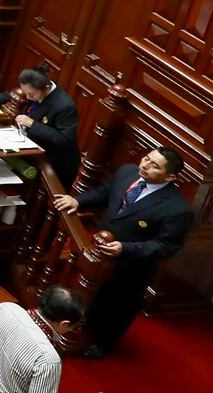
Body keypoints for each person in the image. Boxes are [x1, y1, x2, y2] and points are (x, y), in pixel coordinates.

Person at [51, 146, 193, 357]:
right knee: (91, 293)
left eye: (154, 166)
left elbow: (166, 246)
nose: (145, 165)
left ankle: (102, 344)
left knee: (118, 305)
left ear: (170, 177)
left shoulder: (177, 209)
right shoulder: (128, 172)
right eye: (146, 159)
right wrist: (78, 200)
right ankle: (78, 324)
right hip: (100, 251)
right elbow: (105, 192)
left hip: (132, 266)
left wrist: (125, 248)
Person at [0, 67, 80, 185]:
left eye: (31, 95)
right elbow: (11, 94)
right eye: (26, 93)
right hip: (30, 148)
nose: (27, 98)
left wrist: (32, 124)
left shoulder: (65, 106)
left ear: (47, 88)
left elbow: (64, 139)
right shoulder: (34, 88)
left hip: (55, 162)